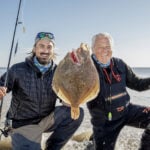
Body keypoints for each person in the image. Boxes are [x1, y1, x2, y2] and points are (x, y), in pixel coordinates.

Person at [0, 32, 84, 150]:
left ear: (53, 50)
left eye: (49, 47)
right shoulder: (17, 69)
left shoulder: (59, 72)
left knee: (76, 113)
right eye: (41, 46)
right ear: (35, 48)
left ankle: (52, 147)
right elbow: (2, 85)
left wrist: (79, 72)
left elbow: (66, 101)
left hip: (46, 119)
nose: (45, 50)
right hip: (22, 125)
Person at [87, 32, 150, 150]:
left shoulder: (120, 64)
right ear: (92, 49)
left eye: (108, 47)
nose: (104, 50)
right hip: (104, 121)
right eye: (100, 47)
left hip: (127, 111)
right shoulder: (86, 67)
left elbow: (138, 84)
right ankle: (93, 143)